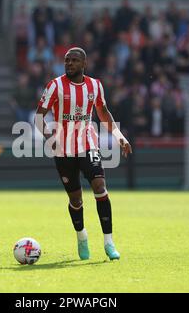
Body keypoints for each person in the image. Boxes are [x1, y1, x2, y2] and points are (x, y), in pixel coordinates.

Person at [35, 47, 132, 260]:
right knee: (76, 200)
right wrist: (49, 137)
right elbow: (39, 117)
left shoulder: (95, 86)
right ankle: (81, 236)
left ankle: (109, 242)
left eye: (74, 60)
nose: (69, 63)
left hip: (88, 144)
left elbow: (103, 113)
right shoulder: (55, 86)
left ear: (84, 64)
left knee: (100, 186)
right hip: (63, 149)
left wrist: (119, 136)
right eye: (67, 60)